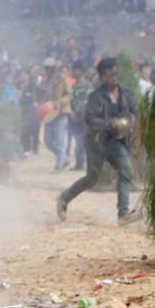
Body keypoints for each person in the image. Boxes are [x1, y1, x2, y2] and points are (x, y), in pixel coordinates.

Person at [58, 58, 138, 225]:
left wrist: (129, 123)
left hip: (116, 141)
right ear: (102, 77)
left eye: (115, 74)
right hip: (97, 142)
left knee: (126, 171)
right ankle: (64, 198)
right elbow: (91, 120)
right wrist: (111, 123)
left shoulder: (126, 93)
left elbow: (134, 113)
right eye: (109, 75)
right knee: (91, 179)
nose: (114, 78)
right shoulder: (96, 97)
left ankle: (123, 213)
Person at [41, 58, 72, 172]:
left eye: (50, 68)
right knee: (48, 141)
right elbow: (44, 97)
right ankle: (64, 157)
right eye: (46, 68)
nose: (48, 70)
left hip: (60, 113)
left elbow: (69, 95)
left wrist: (59, 103)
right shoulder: (45, 81)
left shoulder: (62, 79)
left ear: (55, 68)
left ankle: (59, 165)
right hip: (49, 114)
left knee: (60, 140)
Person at [69, 62, 93, 170]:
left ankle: (87, 164)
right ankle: (79, 163)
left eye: (76, 69)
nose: (74, 72)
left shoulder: (88, 85)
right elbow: (70, 101)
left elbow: (89, 101)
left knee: (84, 141)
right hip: (74, 118)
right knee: (77, 141)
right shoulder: (72, 86)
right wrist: (71, 112)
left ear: (81, 71)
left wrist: (83, 114)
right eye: (73, 70)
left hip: (84, 118)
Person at [18, 70, 43, 155]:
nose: (22, 76)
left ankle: (35, 147)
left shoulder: (33, 86)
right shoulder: (18, 86)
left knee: (35, 130)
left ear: (28, 76)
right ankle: (26, 149)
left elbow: (40, 96)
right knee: (25, 130)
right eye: (21, 75)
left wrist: (38, 103)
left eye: (24, 74)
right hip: (23, 111)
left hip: (33, 111)